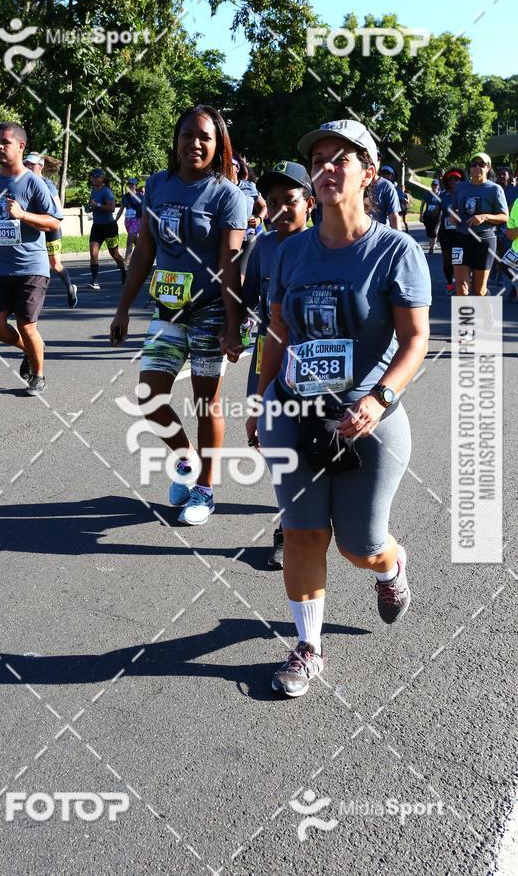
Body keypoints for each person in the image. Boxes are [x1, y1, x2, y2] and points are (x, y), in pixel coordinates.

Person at [246, 119, 430, 698]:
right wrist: (260, 398)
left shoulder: (395, 252)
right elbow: (276, 329)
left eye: (340, 159)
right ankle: (308, 648)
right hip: (292, 414)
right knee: (301, 534)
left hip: (366, 422)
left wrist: (380, 400)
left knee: (359, 545)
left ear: (368, 173)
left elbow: (416, 341)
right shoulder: (289, 249)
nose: (326, 168)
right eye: (318, 159)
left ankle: (392, 568)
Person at [110, 104, 247, 526]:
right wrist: (123, 309)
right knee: (150, 398)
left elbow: (230, 264)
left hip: (208, 313)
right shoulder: (157, 185)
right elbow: (144, 253)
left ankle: (204, 489)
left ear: (218, 144)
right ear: (177, 139)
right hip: (166, 312)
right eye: (188, 134)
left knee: (207, 405)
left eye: (205, 137)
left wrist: (232, 324)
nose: (195, 143)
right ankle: (185, 459)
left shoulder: (227, 195)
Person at [242, 160, 315, 569]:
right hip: (269, 353)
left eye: (290, 200)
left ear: (309, 202)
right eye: (272, 202)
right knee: (273, 441)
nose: (281, 209)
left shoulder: (324, 244)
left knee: (314, 443)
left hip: (317, 365)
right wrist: (232, 333)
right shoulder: (264, 246)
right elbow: (248, 296)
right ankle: (288, 528)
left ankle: (313, 516)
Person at [0, 121, 61, 395]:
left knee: (26, 324)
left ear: (20, 146)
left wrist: (23, 215)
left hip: (30, 267)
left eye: (5, 142)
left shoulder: (34, 182)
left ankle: (38, 375)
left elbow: (54, 222)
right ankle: (31, 349)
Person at [24, 153, 77, 309]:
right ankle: (26, 300)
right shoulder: (24, 183)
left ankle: (70, 288)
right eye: (25, 164)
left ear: (40, 166)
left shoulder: (47, 184)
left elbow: (58, 211)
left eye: (31, 164)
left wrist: (44, 217)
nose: (27, 167)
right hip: (34, 230)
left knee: (55, 264)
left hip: (50, 229)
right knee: (32, 264)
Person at [452, 152, 508, 297]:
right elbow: (453, 208)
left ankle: (488, 317)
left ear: (488, 168)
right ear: (470, 168)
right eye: (474, 164)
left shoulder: (495, 189)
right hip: (461, 238)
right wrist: (453, 216)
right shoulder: (460, 187)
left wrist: (485, 216)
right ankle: (465, 320)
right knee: (461, 288)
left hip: (484, 240)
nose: (477, 167)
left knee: (479, 291)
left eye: (481, 165)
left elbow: (504, 217)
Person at [87, 168, 126, 289]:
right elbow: (94, 206)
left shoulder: (106, 192)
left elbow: (112, 208)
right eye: (92, 176)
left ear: (102, 179)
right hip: (97, 226)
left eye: (95, 176)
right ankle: (94, 281)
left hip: (109, 227)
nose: (93, 178)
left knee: (114, 254)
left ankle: (124, 272)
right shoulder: (93, 190)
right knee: (93, 252)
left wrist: (97, 205)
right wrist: (90, 207)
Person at [232, 152, 267, 275]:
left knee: (242, 275)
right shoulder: (218, 188)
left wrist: (259, 219)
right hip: (226, 239)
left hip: (248, 237)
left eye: (230, 164)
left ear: (237, 168)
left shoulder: (249, 187)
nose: (226, 167)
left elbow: (264, 206)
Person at [438, 168, 465, 293]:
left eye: (457, 179)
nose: (454, 181)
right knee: (447, 260)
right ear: (447, 181)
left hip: (460, 232)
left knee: (459, 260)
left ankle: (460, 282)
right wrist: (432, 213)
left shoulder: (464, 194)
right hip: (446, 233)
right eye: (451, 179)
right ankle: (449, 282)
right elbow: (436, 213)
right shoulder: (442, 195)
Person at [493, 165, 518, 282]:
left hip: (508, 226)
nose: (502, 176)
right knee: (495, 251)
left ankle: (506, 279)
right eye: (500, 174)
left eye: (504, 174)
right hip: (495, 224)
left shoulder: (514, 191)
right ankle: (496, 273)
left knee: (505, 252)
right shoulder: (494, 189)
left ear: (509, 176)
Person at [115, 177, 144, 267]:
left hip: (137, 220)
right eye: (129, 184)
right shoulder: (125, 197)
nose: (130, 186)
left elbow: (143, 210)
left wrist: (145, 222)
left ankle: (126, 261)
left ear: (136, 186)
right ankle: (143, 259)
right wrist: (115, 220)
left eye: (132, 185)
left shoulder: (141, 197)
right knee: (137, 242)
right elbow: (121, 209)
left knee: (129, 241)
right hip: (128, 221)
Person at [371, 163, 402, 230]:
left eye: (387, 173)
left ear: (392, 175)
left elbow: (394, 216)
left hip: (382, 228)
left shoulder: (391, 187)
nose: (385, 175)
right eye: (382, 172)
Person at [419, 179, 442, 254]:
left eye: (436, 185)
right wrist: (421, 215)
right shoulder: (428, 194)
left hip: (438, 216)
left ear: (438, 186)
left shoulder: (441, 194)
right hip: (428, 216)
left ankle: (431, 247)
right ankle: (433, 243)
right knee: (430, 232)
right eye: (433, 185)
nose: (434, 186)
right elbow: (422, 205)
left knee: (435, 232)